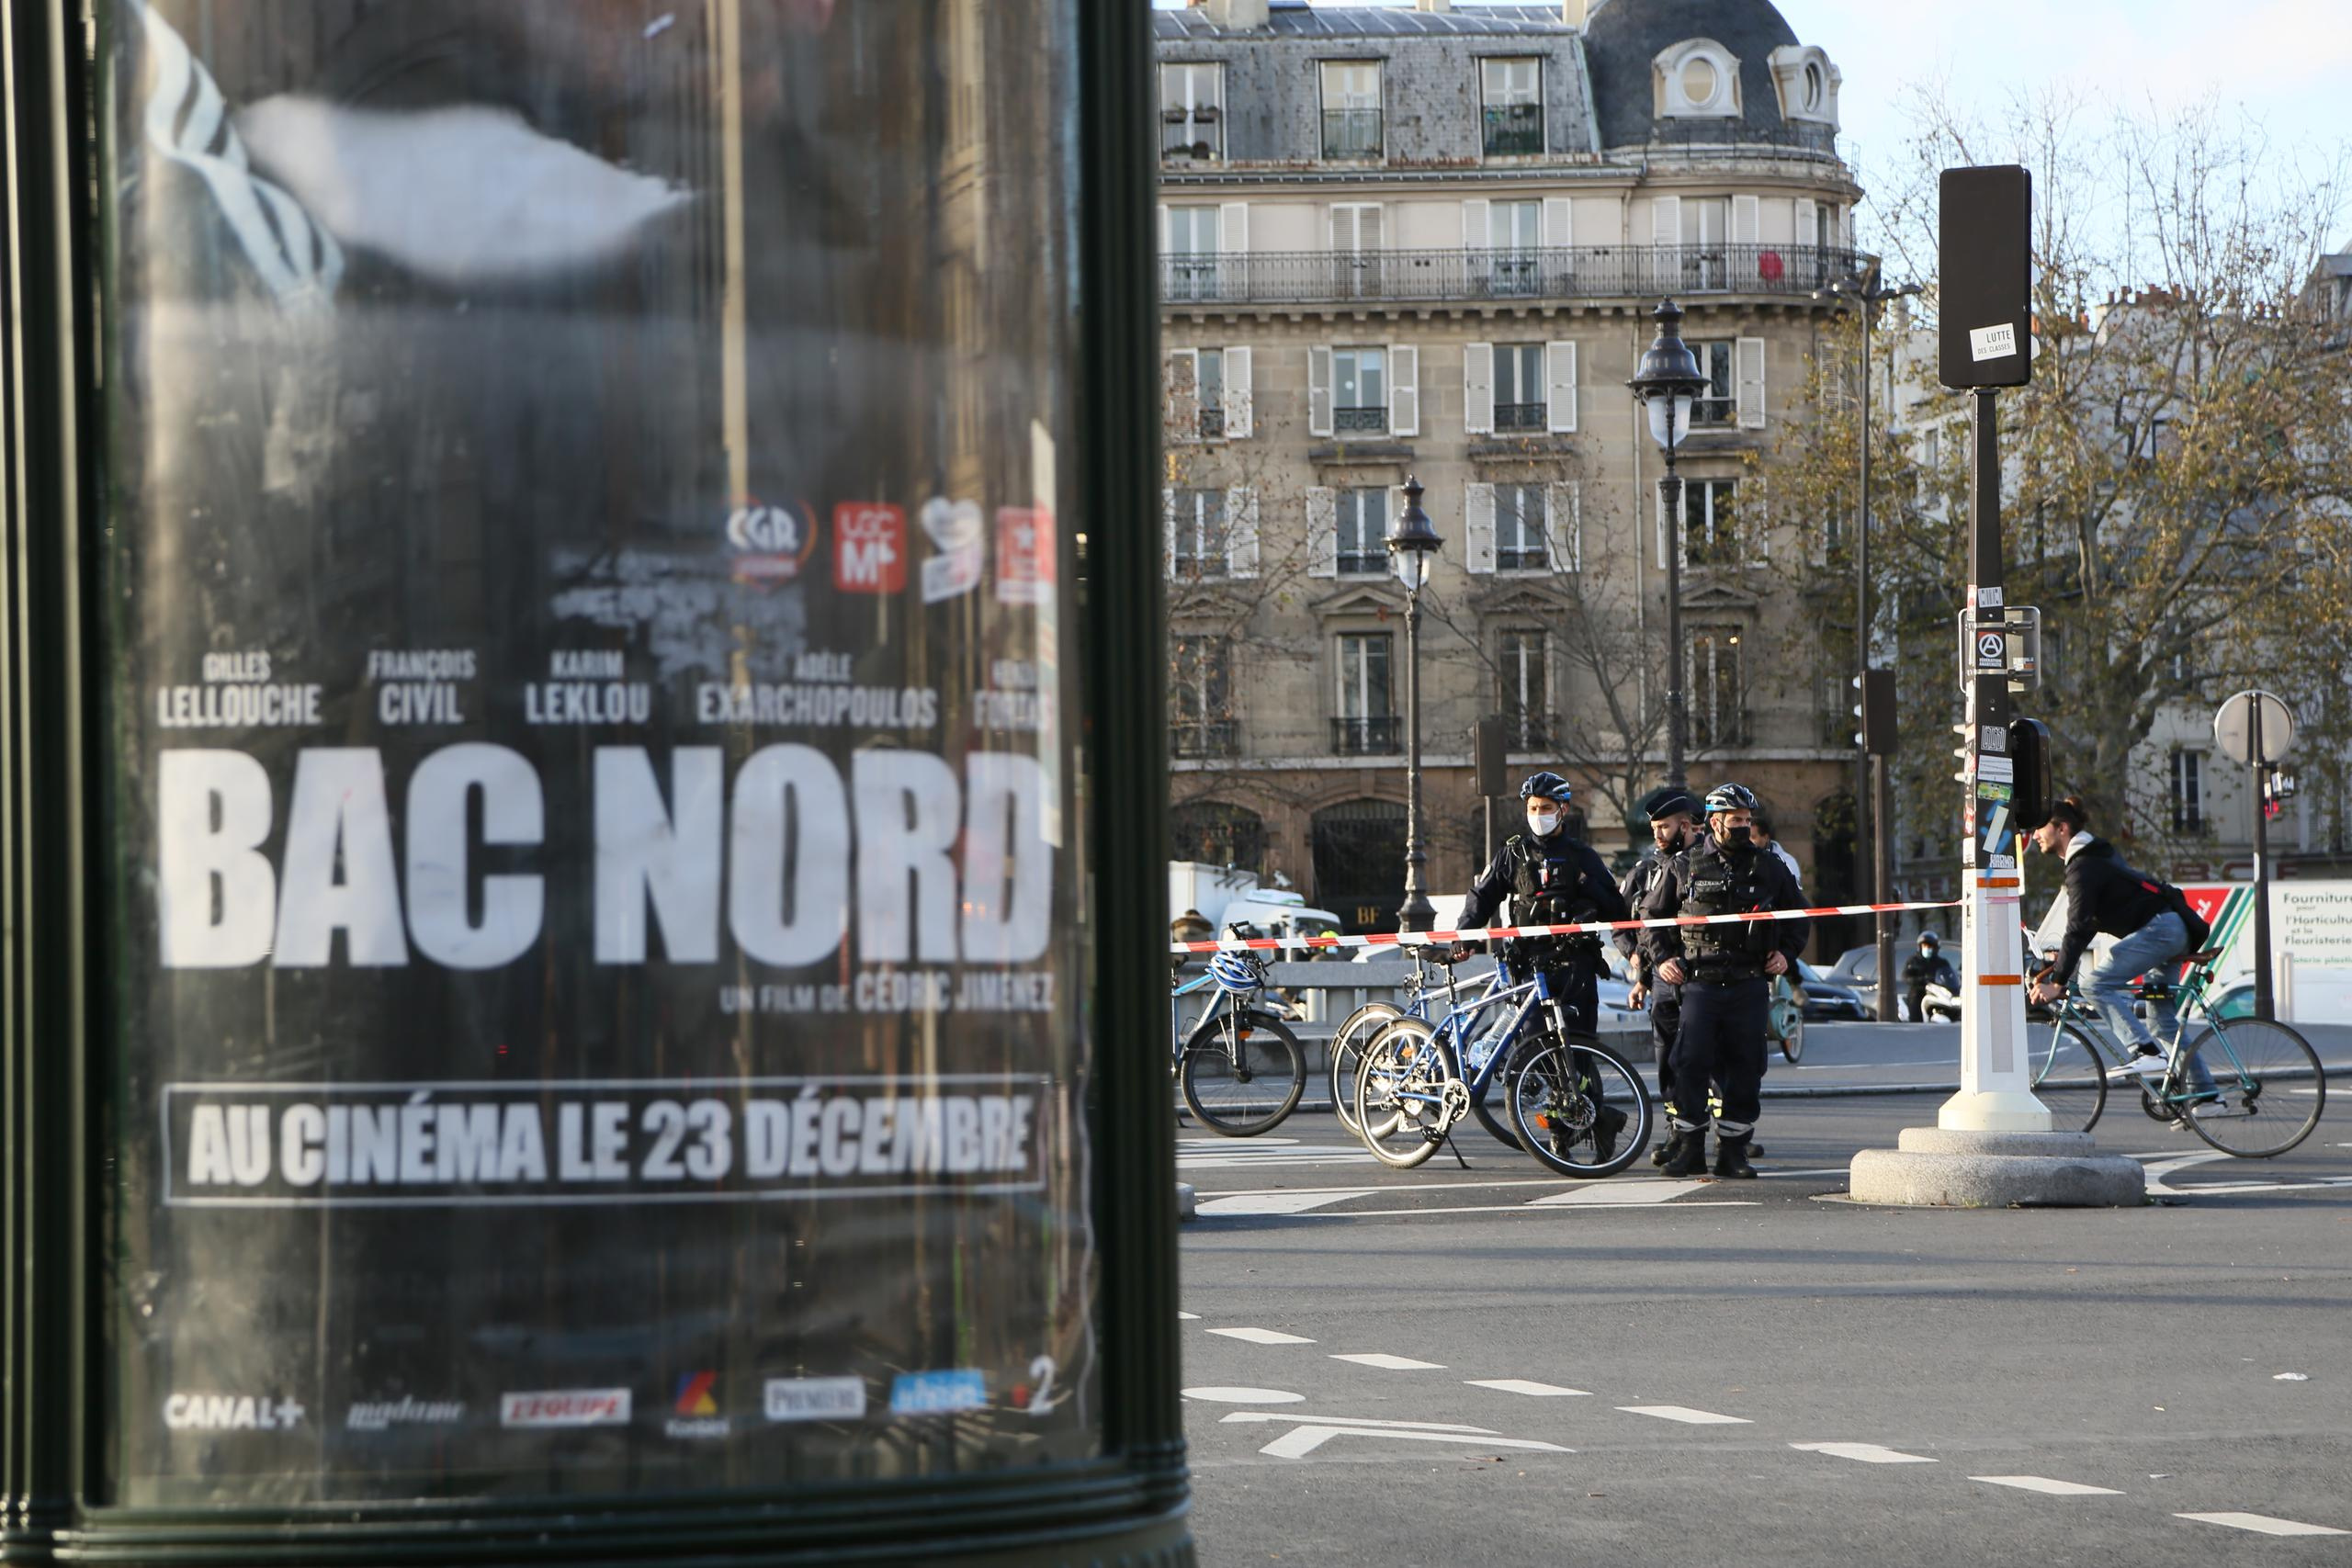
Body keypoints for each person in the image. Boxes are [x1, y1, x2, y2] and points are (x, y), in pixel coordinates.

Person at [1639, 784, 1808, 1179]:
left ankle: (1733, 1152)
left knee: (1746, 1067)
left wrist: (1787, 953)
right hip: (1700, 982)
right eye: (1737, 820)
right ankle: (1690, 1149)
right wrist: (1662, 959)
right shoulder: (1684, 865)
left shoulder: (1769, 866)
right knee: (1690, 1064)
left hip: (1749, 982)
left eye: (1748, 820)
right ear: (1715, 822)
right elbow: (1651, 918)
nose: (1744, 827)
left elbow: (1799, 916)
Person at [1462, 772, 1632, 1157]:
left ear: (1563, 810)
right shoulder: (1514, 852)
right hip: (1527, 969)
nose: (1538, 815)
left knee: (1581, 1052)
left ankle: (1594, 1123)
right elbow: (1482, 898)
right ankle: (1562, 1130)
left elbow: (1615, 906)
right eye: (1533, 808)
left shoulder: (1582, 855)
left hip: (1574, 966)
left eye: (1546, 808)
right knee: (1537, 1050)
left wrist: (1588, 900)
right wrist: (1463, 936)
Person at [2025, 797, 2212, 1092]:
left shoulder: (2083, 866)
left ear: (2062, 828)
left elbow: (2079, 926)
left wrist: (2058, 981)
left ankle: (2146, 1051)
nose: (2034, 835)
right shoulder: (2093, 856)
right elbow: (2083, 928)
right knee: (2161, 1021)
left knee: (2095, 985)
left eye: (2040, 828)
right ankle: (2206, 1096)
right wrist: (2058, 970)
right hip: (2171, 928)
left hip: (2160, 931)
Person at [1618, 791, 1699, 1165]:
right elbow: (1628, 923)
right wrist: (1639, 966)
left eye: (1664, 827)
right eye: (1654, 828)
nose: (1658, 834)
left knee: (1703, 1059)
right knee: (1668, 1059)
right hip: (1662, 977)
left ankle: (1720, 1133)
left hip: (1700, 974)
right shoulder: (1644, 870)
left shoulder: (1702, 864)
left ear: (1685, 825)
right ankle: (1677, 1132)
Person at [1902, 933, 1958, 1023]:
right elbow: (1906, 976)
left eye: (1930, 947)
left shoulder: (1942, 962)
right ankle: (1917, 1022)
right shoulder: (1913, 961)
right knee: (1915, 1001)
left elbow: (1948, 974)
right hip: (1919, 991)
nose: (1927, 949)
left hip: (1938, 992)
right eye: (1925, 946)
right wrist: (1920, 980)